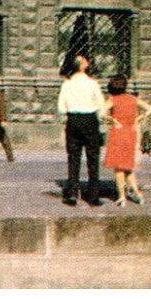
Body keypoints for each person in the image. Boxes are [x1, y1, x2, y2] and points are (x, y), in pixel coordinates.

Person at [57, 54, 105, 206]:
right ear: (83, 66)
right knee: (93, 158)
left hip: (73, 120)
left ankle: (72, 193)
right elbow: (101, 105)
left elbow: (61, 108)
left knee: (73, 157)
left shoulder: (67, 84)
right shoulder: (93, 83)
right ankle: (93, 195)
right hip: (90, 120)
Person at [103, 74, 151, 206]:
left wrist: (112, 120)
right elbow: (150, 108)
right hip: (131, 133)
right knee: (128, 167)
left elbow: (100, 113)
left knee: (119, 168)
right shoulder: (133, 99)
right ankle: (137, 194)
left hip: (117, 134)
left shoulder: (113, 100)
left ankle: (122, 197)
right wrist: (139, 118)